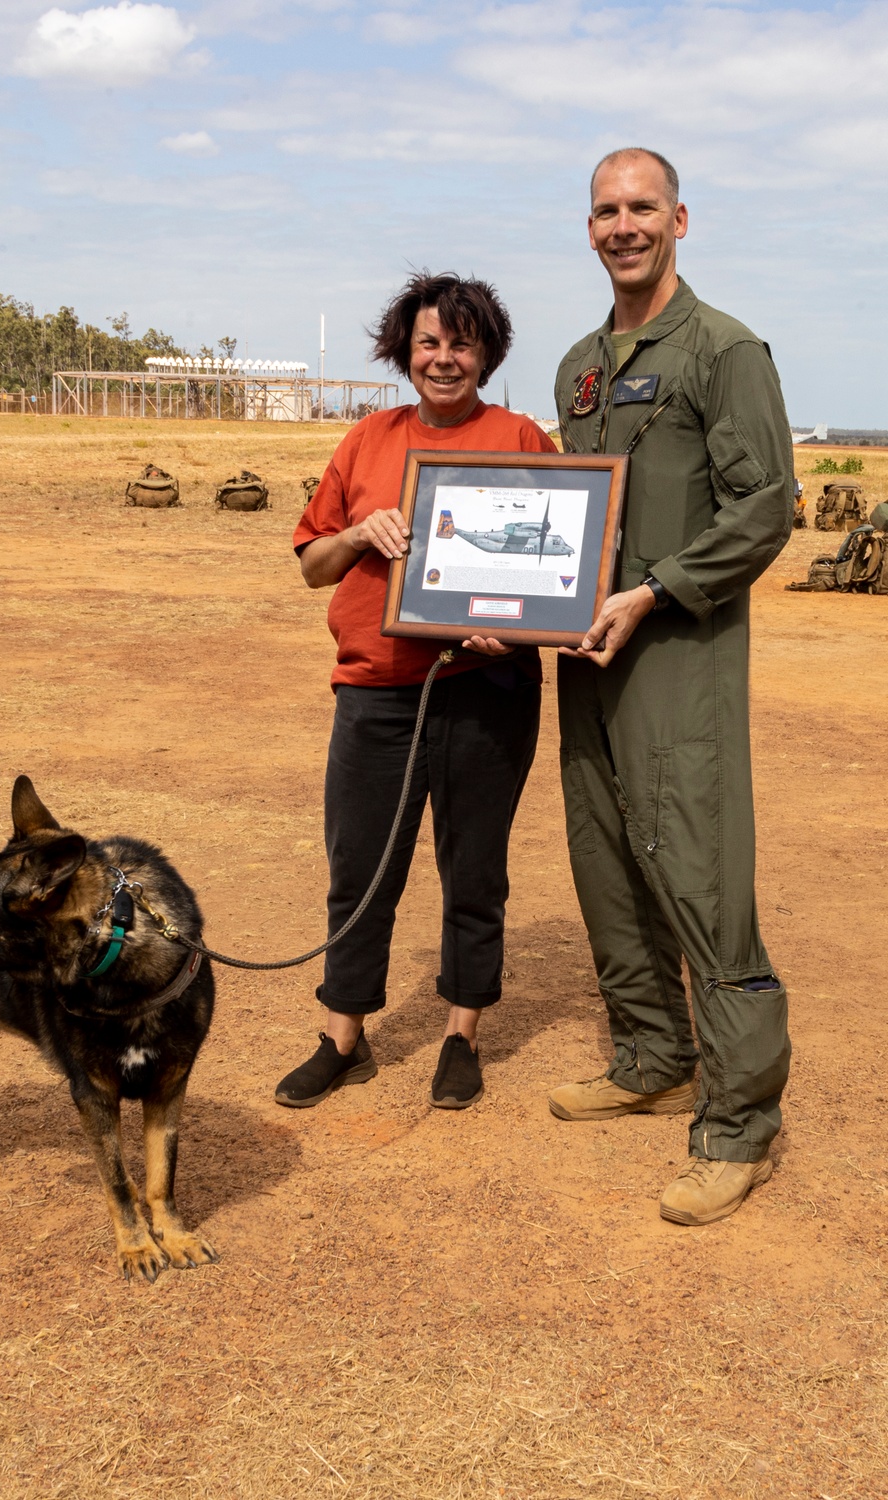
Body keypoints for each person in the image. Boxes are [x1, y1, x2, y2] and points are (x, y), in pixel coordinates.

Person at [547, 149, 793, 1225]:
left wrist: (653, 592)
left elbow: (762, 508)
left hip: (677, 655)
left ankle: (738, 1123)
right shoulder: (578, 369)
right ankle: (649, 1054)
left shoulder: (725, 350)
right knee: (603, 856)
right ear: (587, 227)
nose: (623, 224)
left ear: (679, 219)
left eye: (642, 206)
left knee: (695, 869)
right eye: (605, 210)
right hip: (587, 658)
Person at [274, 272, 556, 1111]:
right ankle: (343, 1036)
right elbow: (310, 563)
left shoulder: (521, 439)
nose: (444, 358)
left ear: (487, 353)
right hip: (377, 692)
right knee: (359, 867)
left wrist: (516, 627)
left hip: (486, 688)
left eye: (462, 343)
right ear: (405, 350)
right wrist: (360, 531)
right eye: (429, 342)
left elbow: (556, 571)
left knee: (475, 869)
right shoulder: (366, 441)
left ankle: (461, 1034)